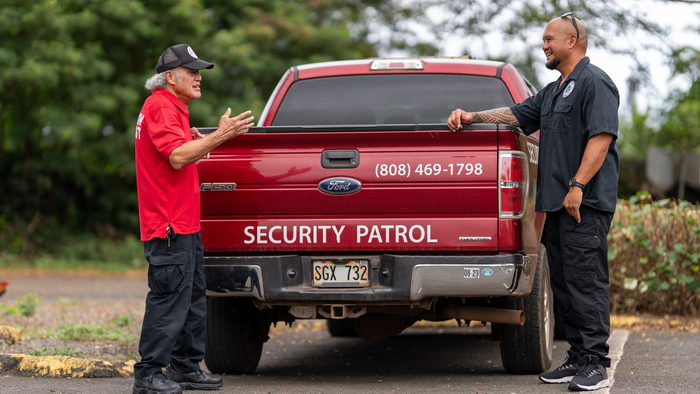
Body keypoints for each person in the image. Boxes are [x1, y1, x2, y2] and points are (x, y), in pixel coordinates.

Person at [448, 13, 619, 392]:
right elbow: (516, 115)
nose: (544, 45)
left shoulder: (595, 82)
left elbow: (602, 138)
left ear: (572, 40)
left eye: (549, 38)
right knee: (564, 283)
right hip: (557, 207)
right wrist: (472, 115)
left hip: (583, 204)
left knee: (585, 282)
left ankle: (596, 363)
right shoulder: (556, 89)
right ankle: (577, 358)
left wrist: (577, 185)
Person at [133, 44, 254, 394]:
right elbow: (176, 157)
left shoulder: (175, 108)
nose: (199, 77)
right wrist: (220, 136)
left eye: (199, 71)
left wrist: (209, 140)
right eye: (192, 71)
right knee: (169, 298)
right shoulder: (160, 106)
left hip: (184, 223)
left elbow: (186, 154)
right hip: (168, 225)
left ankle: (185, 367)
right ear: (170, 77)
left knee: (190, 297)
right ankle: (149, 373)